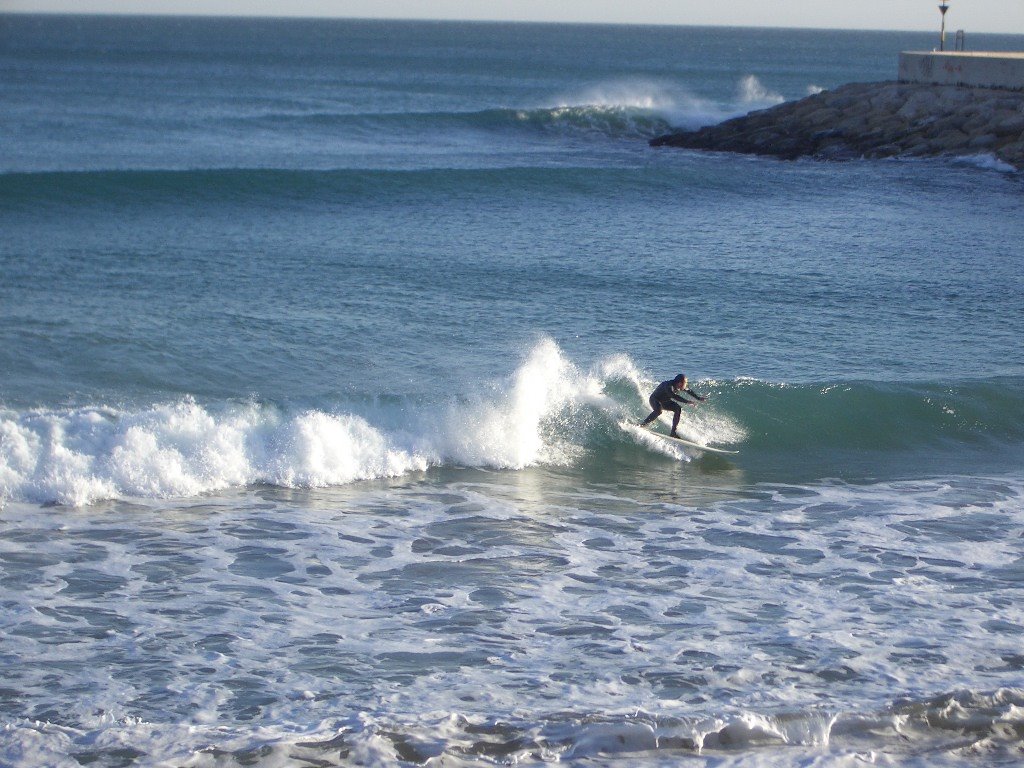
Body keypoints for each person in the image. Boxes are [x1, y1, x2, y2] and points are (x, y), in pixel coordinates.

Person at [639, 373, 706, 438]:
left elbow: (689, 391)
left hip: (665, 402)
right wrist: (687, 402)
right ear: (680, 383)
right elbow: (674, 396)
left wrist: (698, 398)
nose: (686, 385)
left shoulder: (678, 385)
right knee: (658, 411)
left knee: (678, 409)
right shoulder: (668, 386)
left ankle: (673, 433)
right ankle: (642, 425)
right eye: (685, 383)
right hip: (654, 400)